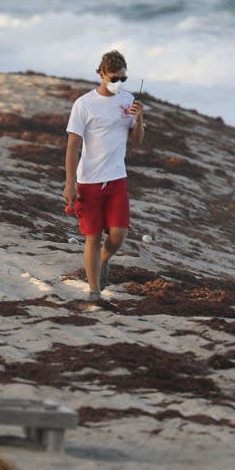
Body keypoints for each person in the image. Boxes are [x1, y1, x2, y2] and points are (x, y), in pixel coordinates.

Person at [64, 50, 145, 301]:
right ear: (101, 73)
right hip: (89, 180)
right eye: (114, 78)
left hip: (117, 177)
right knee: (93, 236)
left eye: (123, 78)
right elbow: (73, 145)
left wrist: (140, 119)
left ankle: (100, 262)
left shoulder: (128, 100)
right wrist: (70, 184)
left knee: (119, 235)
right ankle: (94, 292)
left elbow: (137, 143)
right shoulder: (84, 104)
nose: (118, 83)